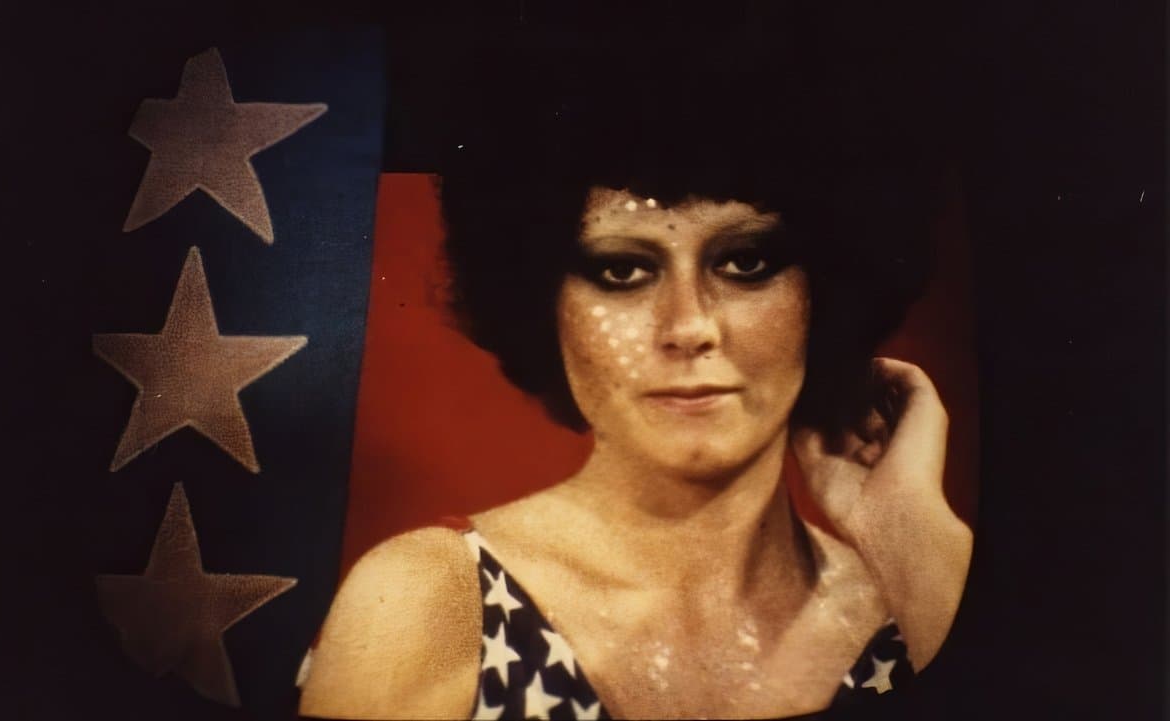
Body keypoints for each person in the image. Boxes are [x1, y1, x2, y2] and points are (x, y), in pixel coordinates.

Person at [299, 26, 972, 719]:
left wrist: (906, 531)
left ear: (825, 294)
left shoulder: (915, 600)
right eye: (622, 270)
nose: (689, 326)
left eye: (745, 262)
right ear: (543, 304)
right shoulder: (432, 603)